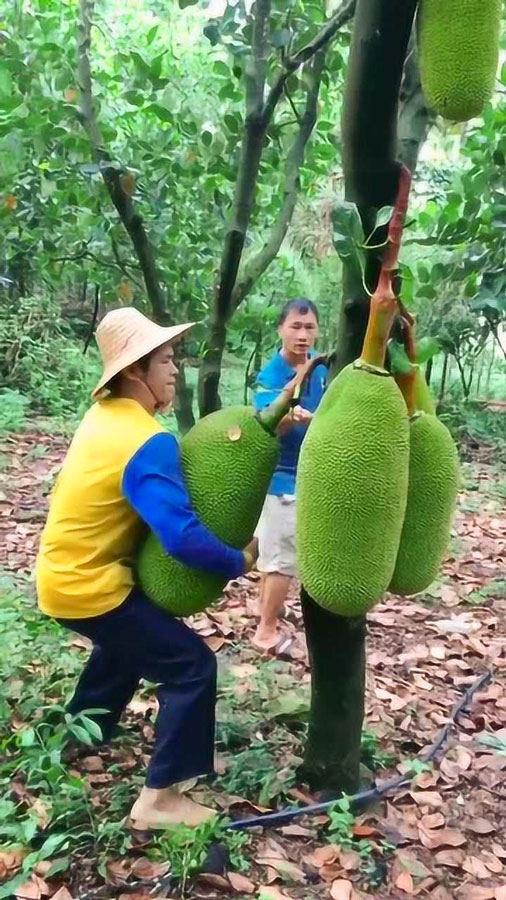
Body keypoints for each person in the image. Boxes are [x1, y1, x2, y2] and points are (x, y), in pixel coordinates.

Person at [36, 307, 259, 830]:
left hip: (61, 576)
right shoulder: (146, 440)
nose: (175, 368)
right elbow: (179, 536)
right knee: (190, 667)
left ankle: (78, 736)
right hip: (90, 586)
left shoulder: (104, 418)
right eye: (166, 359)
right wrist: (235, 561)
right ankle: (160, 801)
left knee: (126, 646)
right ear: (135, 370)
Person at [252, 298, 327, 651]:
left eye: (309, 327)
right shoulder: (270, 375)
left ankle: (266, 615)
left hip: (312, 475)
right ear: (281, 328)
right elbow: (269, 426)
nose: (302, 334)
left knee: (274, 555)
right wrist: (291, 407)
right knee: (281, 560)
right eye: (295, 327)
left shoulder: (325, 369)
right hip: (281, 479)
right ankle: (266, 630)